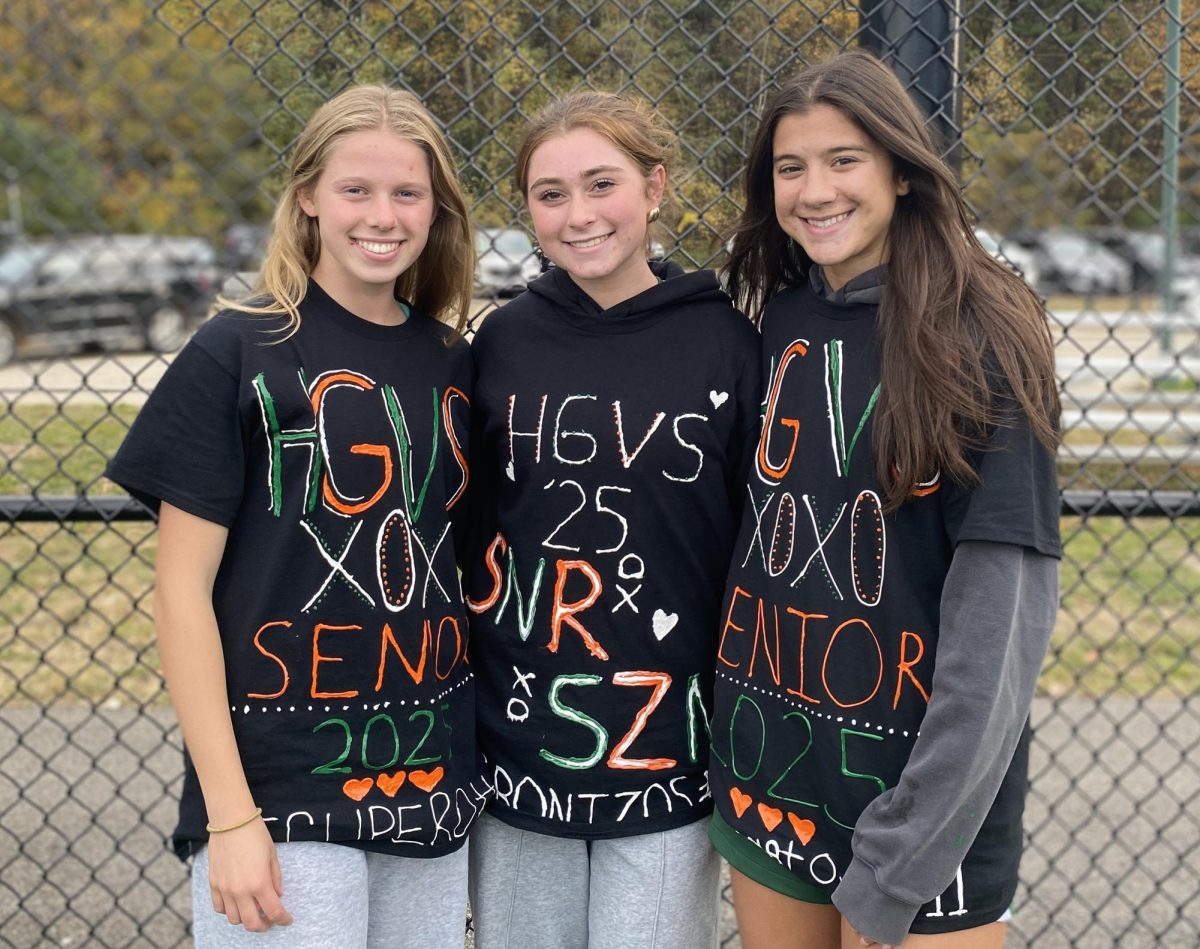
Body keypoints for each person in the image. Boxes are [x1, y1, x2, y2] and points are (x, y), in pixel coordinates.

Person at [106, 85, 486, 948]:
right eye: (356, 189)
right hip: (281, 792)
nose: (381, 215)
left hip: (426, 773)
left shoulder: (453, 363)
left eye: (407, 193)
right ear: (308, 196)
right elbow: (180, 593)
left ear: (437, 209)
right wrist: (231, 816)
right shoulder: (238, 349)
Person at [708, 50, 1061, 949]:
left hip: (920, 822)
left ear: (902, 170)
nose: (815, 190)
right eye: (791, 168)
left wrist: (902, 859)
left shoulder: (982, 329)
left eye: (844, 160)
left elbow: (998, 635)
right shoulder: (778, 319)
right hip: (772, 785)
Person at [463, 90, 761, 949]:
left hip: (670, 752)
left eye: (603, 184)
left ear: (655, 186)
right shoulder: (503, 342)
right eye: (550, 193)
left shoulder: (728, 343)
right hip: (522, 744)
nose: (579, 213)